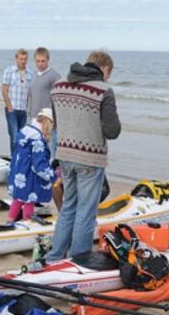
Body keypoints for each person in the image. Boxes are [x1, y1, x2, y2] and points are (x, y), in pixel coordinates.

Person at [43, 50, 121, 263]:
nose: (108, 78)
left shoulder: (58, 85)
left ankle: (55, 255)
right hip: (90, 157)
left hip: (65, 154)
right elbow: (113, 131)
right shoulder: (104, 90)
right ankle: (80, 260)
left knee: (69, 206)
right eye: (109, 73)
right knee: (86, 212)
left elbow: (57, 122)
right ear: (104, 69)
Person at [7, 108, 56, 222]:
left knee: (18, 199)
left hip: (18, 172)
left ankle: (9, 222)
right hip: (29, 176)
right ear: (45, 123)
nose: (50, 131)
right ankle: (27, 225)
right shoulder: (37, 139)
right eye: (50, 127)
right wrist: (53, 176)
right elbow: (39, 165)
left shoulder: (24, 130)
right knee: (29, 201)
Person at [27, 47, 62, 158]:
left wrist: (55, 120)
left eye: (43, 61)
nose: (40, 64)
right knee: (36, 149)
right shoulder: (33, 75)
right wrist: (29, 114)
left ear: (48, 60)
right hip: (34, 118)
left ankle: (51, 172)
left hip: (48, 120)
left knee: (50, 151)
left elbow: (58, 100)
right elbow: (31, 96)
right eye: (37, 61)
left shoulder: (55, 76)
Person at [2, 49, 32, 156]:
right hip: (12, 109)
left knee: (23, 137)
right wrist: (9, 106)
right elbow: (4, 89)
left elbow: (30, 92)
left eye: (25, 59)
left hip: (24, 110)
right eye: (21, 59)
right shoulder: (9, 71)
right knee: (14, 136)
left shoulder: (30, 73)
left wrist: (29, 108)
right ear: (16, 58)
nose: (23, 61)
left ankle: (21, 160)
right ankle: (14, 160)